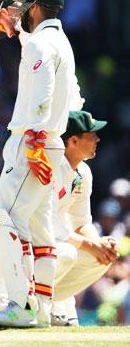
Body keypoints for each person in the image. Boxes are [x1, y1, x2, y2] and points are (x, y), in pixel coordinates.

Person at [0, 0, 79, 328]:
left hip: (34, 142)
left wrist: (36, 141)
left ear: (35, 6)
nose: (20, 11)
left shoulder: (41, 45)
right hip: (51, 143)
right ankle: (41, 307)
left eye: (24, 5)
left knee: (4, 217)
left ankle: (20, 305)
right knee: (40, 229)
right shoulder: (58, 41)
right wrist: (19, 31)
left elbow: (41, 93)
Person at [52, 110, 119, 326]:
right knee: (68, 253)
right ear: (73, 140)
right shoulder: (51, 168)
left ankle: (52, 302)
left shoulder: (84, 172)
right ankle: (34, 303)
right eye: (92, 136)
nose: (97, 139)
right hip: (32, 244)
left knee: (100, 258)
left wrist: (99, 245)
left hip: (59, 242)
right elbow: (44, 223)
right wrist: (88, 244)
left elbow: (81, 222)